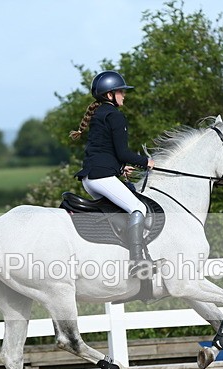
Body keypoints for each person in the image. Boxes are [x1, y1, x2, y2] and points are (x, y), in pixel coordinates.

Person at [70, 70, 155, 277]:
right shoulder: (115, 115)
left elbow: (102, 150)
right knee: (137, 207)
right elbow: (122, 152)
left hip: (91, 178)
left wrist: (119, 168)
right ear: (110, 95)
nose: (124, 95)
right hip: (101, 178)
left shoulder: (99, 114)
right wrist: (147, 161)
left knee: (119, 214)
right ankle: (136, 262)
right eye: (120, 92)